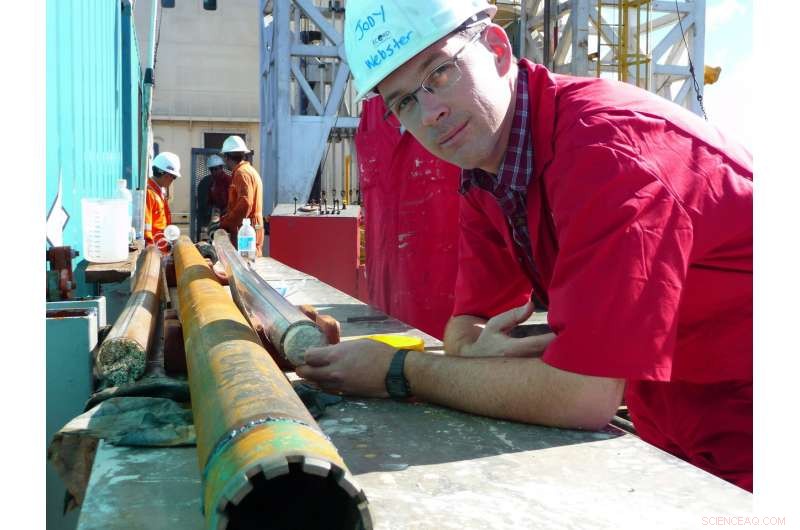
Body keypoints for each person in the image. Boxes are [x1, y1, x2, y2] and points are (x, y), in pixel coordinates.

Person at [296, 0, 753, 491]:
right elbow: (462, 330)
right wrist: (472, 356)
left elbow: (583, 395)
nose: (430, 113)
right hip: (679, 431)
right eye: (404, 102)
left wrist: (398, 371)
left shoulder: (606, 153)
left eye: (441, 73)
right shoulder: (488, 172)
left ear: (496, 49)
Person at [209, 136, 264, 255]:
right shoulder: (249, 171)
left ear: (227, 157)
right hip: (251, 228)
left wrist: (223, 223)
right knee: (250, 264)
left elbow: (244, 205)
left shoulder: (241, 174)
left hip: (247, 232)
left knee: (245, 265)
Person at [145, 151, 182, 253]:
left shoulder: (158, 192)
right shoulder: (149, 194)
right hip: (154, 252)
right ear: (167, 175)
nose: (172, 180)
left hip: (160, 249)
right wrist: (151, 254)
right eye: (173, 177)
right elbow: (146, 230)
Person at [196, 154, 232, 236]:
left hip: (229, 219)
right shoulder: (212, 183)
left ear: (221, 168)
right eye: (211, 169)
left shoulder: (229, 181)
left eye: (216, 169)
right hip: (217, 219)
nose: (214, 172)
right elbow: (210, 202)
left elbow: (233, 202)